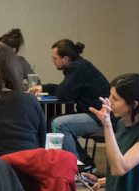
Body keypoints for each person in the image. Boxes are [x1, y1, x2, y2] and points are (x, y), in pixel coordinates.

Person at [29, 39, 109, 168]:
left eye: (55, 58)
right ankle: (84, 162)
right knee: (55, 121)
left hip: (100, 117)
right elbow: (65, 90)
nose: (52, 61)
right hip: (98, 114)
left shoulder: (76, 68)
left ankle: (77, 166)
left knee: (58, 124)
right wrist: (45, 87)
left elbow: (63, 94)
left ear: (65, 59)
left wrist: (46, 87)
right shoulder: (80, 65)